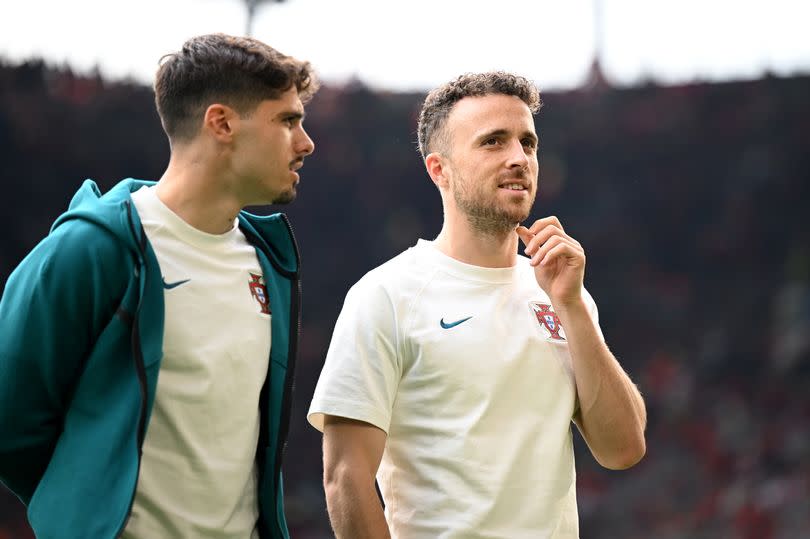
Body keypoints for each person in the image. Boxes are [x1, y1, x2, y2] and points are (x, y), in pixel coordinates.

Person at [0, 33, 317, 539]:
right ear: (222, 123)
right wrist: (82, 514)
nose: (306, 142)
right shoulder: (93, 248)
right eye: (287, 120)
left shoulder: (269, 261)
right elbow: (11, 418)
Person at [307, 71, 647, 538]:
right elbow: (345, 476)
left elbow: (623, 448)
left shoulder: (560, 291)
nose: (518, 158)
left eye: (528, 143)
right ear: (439, 170)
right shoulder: (387, 294)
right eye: (493, 142)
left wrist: (571, 306)